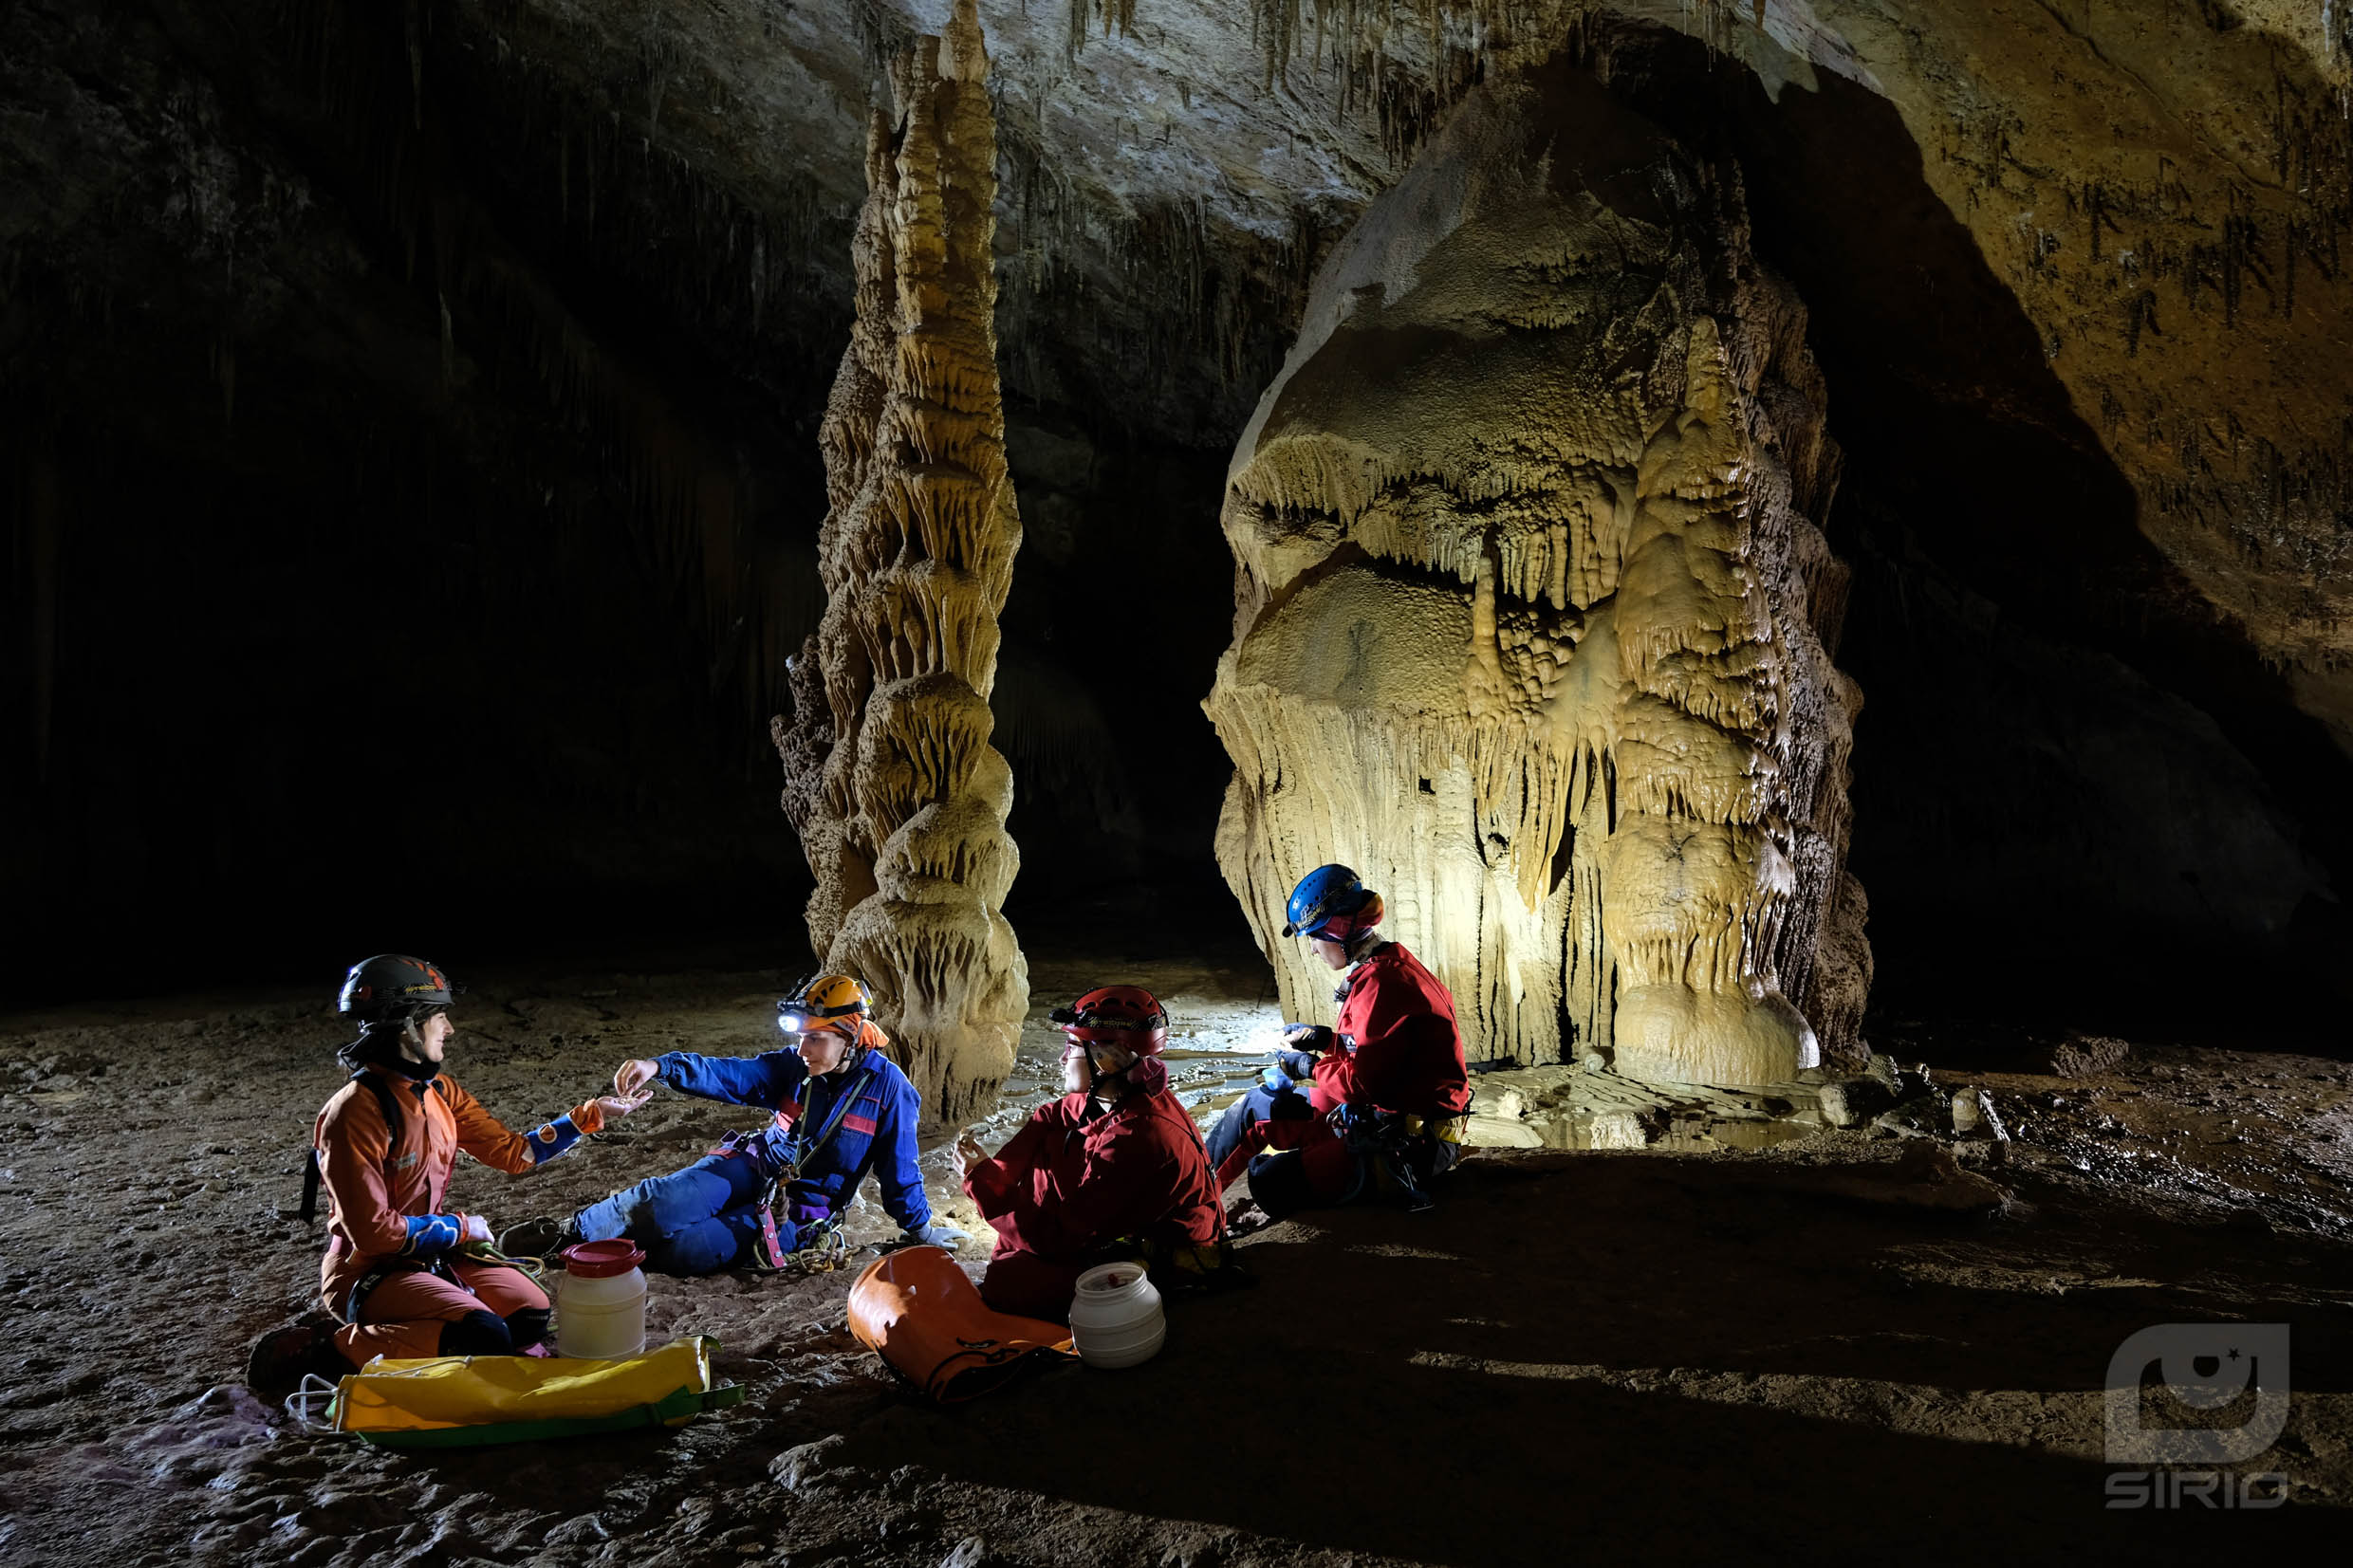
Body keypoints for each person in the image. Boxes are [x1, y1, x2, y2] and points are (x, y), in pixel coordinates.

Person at [247, 954, 645, 1395]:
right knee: (483, 1335)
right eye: (438, 1016)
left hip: (430, 1255)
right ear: (406, 1024)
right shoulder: (353, 1113)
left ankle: (430, 1324)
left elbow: (514, 1153)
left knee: (530, 1314)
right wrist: (461, 1228)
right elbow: (374, 1235)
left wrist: (588, 1116)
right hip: (366, 1270)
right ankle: (333, 1348)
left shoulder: (438, 1091)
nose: (449, 1029)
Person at [500, 974, 965, 1273]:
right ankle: (569, 1233)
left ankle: (596, 1259)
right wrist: (661, 1066)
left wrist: (921, 1229)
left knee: (689, 1250)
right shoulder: (793, 1067)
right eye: (801, 1038)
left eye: (816, 1040)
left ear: (850, 1038)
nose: (803, 1051)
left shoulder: (889, 1092)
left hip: (803, 1205)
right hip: (755, 1164)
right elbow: (730, 1074)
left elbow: (900, 1173)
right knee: (661, 1203)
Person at [1210, 864, 1472, 1216]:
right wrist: (1325, 1040)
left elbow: (1362, 1084)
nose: (1315, 951)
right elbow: (1379, 1053)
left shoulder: (1382, 984)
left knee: (1270, 1183)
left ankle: (1193, 1214)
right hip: (1382, 1117)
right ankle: (1188, 1202)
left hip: (1410, 1144)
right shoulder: (1388, 963)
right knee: (1255, 1107)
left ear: (1336, 933)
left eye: (1315, 939)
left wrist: (1309, 1066)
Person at [958, 985, 1228, 1320]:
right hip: (1141, 1227)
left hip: (1173, 1255)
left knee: (1009, 1282)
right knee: (1055, 1140)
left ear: (1105, 1059)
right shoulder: (1132, 1095)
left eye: (1072, 1047)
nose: (1061, 1058)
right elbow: (1052, 1114)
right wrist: (1001, 1168)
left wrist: (986, 1184)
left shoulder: (1137, 1136)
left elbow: (1060, 1237)